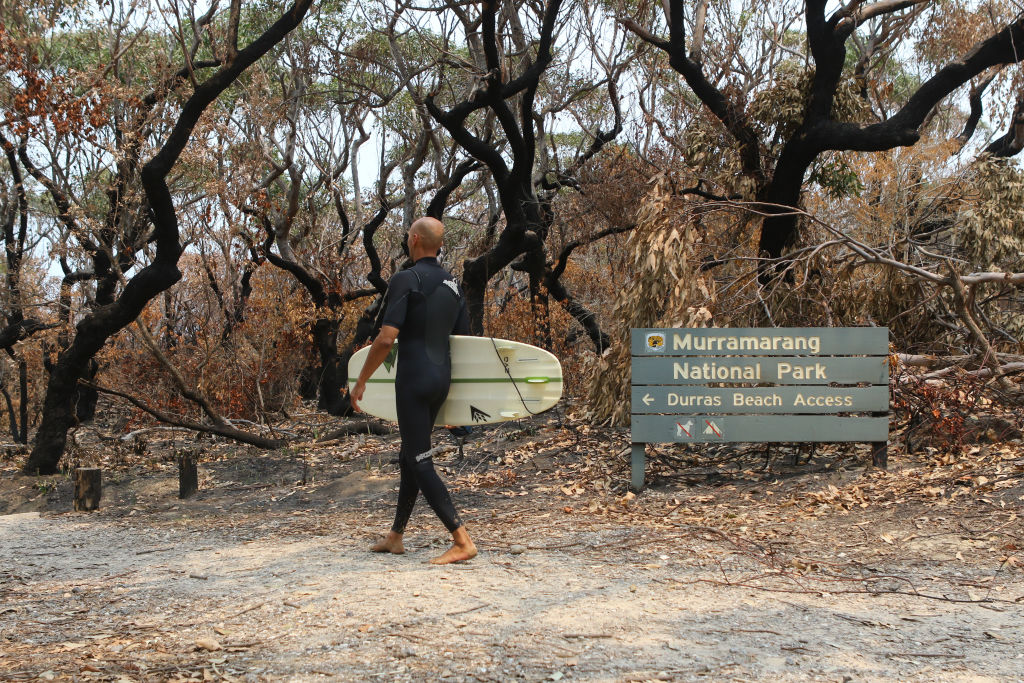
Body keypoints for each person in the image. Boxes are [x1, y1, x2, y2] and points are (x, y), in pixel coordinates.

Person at [350, 217, 477, 565]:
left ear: (416, 239)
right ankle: (395, 537)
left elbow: (387, 338)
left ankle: (462, 540)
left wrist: (361, 381)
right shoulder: (453, 284)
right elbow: (464, 343)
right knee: (410, 455)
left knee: (420, 461)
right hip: (440, 380)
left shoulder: (407, 279)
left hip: (413, 381)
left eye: (408, 236)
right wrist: (459, 404)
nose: (407, 240)